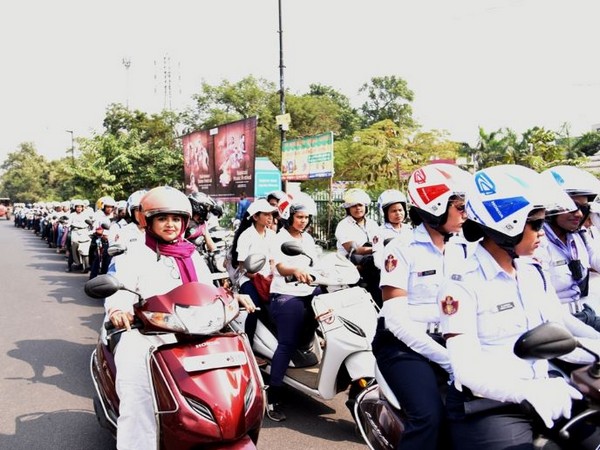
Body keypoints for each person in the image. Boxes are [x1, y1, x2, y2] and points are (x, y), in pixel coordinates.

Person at [439, 164, 600, 450]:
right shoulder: (461, 283)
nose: (542, 231)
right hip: (489, 405)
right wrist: (526, 390)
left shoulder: (532, 272)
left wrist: (594, 347)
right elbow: (466, 369)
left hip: (546, 388)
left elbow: (557, 333)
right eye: (536, 224)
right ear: (507, 224)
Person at [104, 186, 255, 450]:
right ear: (148, 221)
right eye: (163, 218)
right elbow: (120, 288)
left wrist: (232, 298)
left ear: (185, 221)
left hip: (195, 331)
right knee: (136, 398)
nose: (170, 225)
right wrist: (119, 310)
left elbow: (208, 289)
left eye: (176, 219)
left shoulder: (191, 254)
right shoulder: (136, 254)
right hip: (148, 335)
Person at [371, 163, 472, 450]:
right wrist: (448, 360)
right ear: (437, 205)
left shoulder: (464, 248)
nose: (466, 214)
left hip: (450, 339)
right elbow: (397, 322)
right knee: (429, 417)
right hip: (402, 346)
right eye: (460, 207)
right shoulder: (401, 249)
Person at [267, 192, 320, 422]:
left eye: (307, 217)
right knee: (287, 343)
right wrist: (295, 270)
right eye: (300, 217)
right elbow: (280, 266)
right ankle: (273, 396)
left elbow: (317, 263)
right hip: (287, 295)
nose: (304, 221)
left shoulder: (307, 239)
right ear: (289, 216)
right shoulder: (279, 239)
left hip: (309, 291)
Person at [537, 165, 600, 331]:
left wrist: (596, 218)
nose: (578, 214)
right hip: (555, 324)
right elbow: (544, 301)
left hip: (585, 314)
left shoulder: (579, 236)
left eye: (583, 208)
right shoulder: (538, 241)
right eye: (571, 206)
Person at [231, 198, 277, 350]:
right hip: (248, 279)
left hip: (267, 278)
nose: (270, 217)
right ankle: (248, 347)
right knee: (254, 308)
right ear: (256, 217)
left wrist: (272, 276)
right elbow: (243, 266)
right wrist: (258, 277)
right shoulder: (246, 235)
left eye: (271, 214)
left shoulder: (271, 235)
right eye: (266, 214)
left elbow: (272, 260)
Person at [335, 188, 382, 306]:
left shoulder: (373, 224)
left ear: (366, 206)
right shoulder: (343, 225)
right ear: (348, 208)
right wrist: (376, 249)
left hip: (372, 263)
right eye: (353, 206)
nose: (358, 208)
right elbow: (353, 249)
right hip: (350, 264)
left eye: (360, 205)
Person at [373, 189, 412, 270]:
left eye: (400, 210)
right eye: (394, 211)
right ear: (385, 213)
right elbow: (378, 260)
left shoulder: (409, 229)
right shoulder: (380, 232)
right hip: (391, 272)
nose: (398, 213)